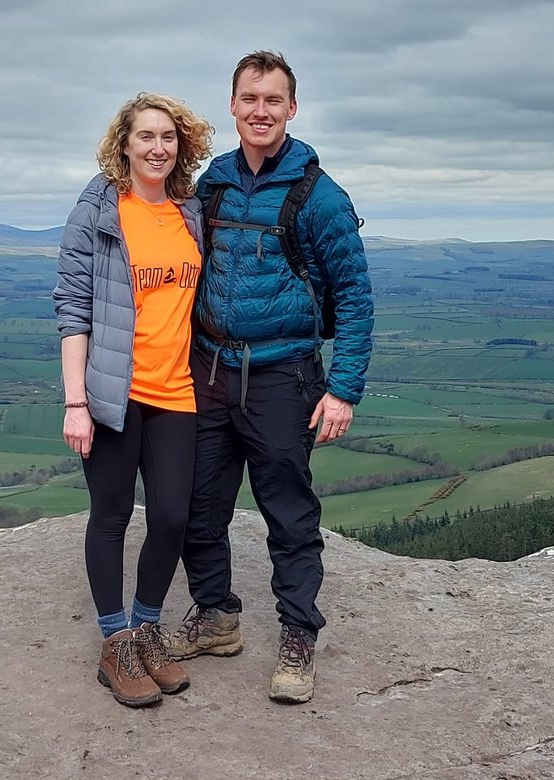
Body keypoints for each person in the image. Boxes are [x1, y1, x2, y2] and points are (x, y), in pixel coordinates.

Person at [166, 51, 374, 704]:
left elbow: (356, 297)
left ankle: (298, 635)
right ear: (232, 106)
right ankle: (218, 616)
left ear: (292, 108)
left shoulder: (321, 197)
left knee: (288, 511)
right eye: (250, 99)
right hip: (209, 368)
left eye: (273, 100)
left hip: (284, 374)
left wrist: (343, 389)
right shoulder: (215, 182)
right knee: (197, 503)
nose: (260, 111)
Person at [52, 93, 213, 708]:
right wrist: (75, 402)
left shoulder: (189, 211)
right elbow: (73, 308)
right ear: (124, 143)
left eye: (168, 137)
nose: (157, 148)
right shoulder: (98, 211)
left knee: (172, 515)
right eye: (145, 136)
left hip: (177, 390)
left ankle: (147, 628)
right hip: (113, 393)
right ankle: (115, 641)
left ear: (182, 145)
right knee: (112, 515)